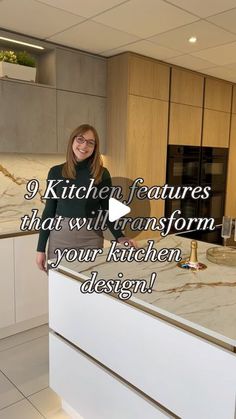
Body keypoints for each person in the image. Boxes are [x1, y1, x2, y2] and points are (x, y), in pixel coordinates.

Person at [36, 124, 135, 272]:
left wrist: (120, 237)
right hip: (61, 238)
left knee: (89, 287)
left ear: (95, 148)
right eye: (80, 139)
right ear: (72, 142)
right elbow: (49, 211)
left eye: (90, 142)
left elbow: (106, 210)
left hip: (91, 239)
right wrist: (40, 249)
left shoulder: (102, 173)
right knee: (60, 287)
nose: (84, 145)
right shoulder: (56, 172)